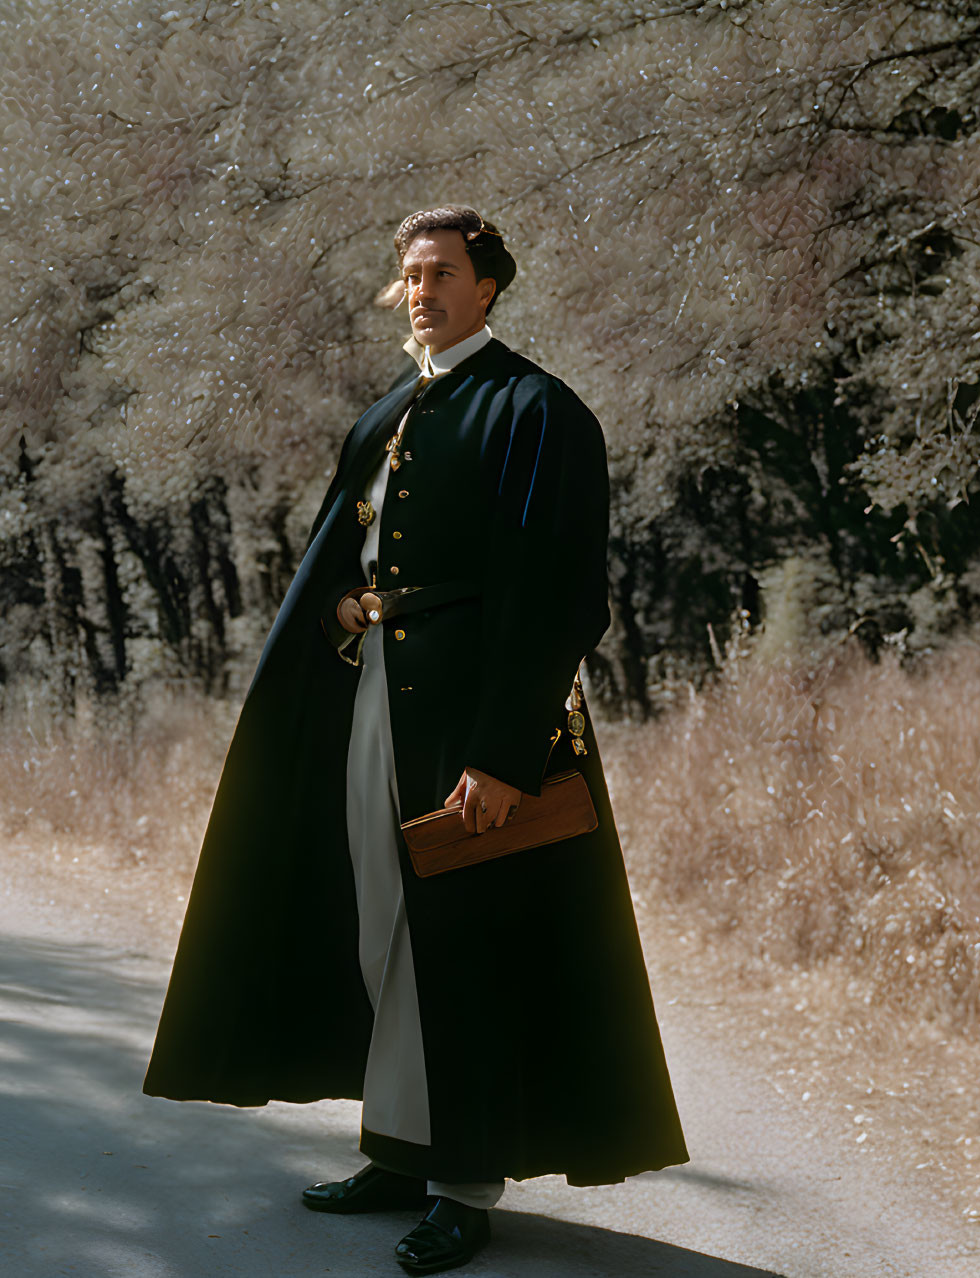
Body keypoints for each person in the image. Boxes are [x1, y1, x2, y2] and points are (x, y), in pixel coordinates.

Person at [142, 205, 688, 1274]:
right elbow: (342, 554)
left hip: (473, 728)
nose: (422, 291)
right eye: (409, 275)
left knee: (464, 943)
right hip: (373, 705)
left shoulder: (536, 410)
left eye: (440, 272)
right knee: (379, 922)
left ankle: (461, 1182)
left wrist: (500, 752)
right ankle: (397, 1149)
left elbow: (556, 598)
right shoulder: (391, 409)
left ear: (488, 285)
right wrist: (340, 610)